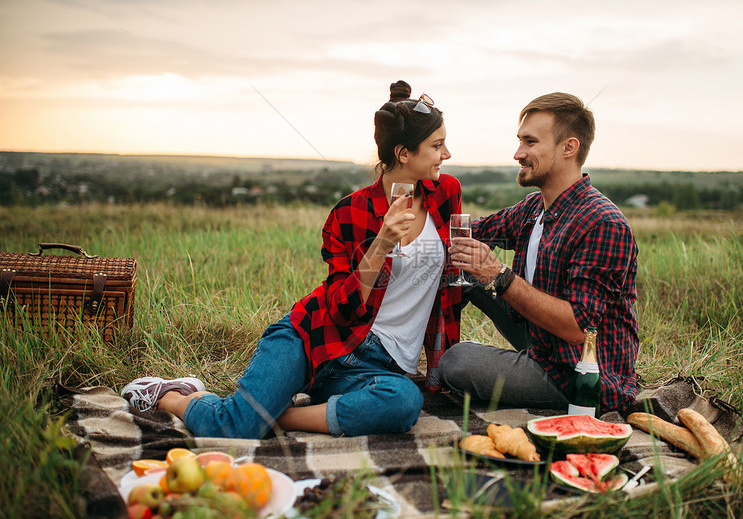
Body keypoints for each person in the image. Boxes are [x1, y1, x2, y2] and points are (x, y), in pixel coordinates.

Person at [121, 80, 462, 438]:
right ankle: (171, 395)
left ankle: (276, 418)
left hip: (374, 368)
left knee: (403, 402)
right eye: (437, 146)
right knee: (234, 427)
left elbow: (449, 273)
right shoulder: (349, 213)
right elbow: (342, 309)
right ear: (404, 153)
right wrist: (381, 244)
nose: (447, 154)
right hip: (313, 338)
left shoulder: (445, 194)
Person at [439, 92, 638, 414]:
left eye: (530, 142)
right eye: (520, 141)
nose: (518, 153)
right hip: (544, 345)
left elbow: (578, 328)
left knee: (457, 362)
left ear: (568, 148)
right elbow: (469, 234)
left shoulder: (603, 223)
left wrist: (498, 275)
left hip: (581, 374)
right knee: (466, 272)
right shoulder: (535, 208)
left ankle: (450, 362)